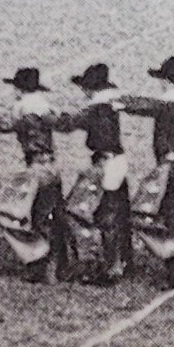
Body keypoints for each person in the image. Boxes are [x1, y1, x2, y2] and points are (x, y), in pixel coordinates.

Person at [119, 56, 174, 287]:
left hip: (169, 166)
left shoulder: (169, 103)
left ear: (166, 80)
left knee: (171, 217)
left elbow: (147, 106)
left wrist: (122, 101)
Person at [0, 66, 68, 282]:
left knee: (22, 215)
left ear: (19, 88)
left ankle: (39, 266)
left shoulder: (22, 108)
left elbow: (3, 125)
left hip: (36, 168)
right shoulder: (45, 107)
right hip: (52, 165)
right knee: (53, 216)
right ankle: (60, 266)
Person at [61, 63, 133, 285]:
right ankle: (120, 263)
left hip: (104, 165)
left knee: (83, 212)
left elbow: (68, 124)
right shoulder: (110, 107)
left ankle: (99, 265)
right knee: (116, 215)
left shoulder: (95, 109)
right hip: (117, 162)